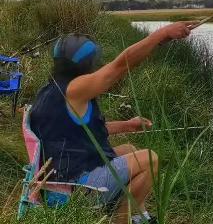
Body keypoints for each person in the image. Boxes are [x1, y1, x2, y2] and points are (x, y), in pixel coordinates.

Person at [30, 21, 197, 224]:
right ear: (86, 64)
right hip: (76, 189)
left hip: (61, 178)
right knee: (150, 159)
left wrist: (127, 125)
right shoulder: (74, 89)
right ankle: (122, 219)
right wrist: (161, 35)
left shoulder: (50, 89)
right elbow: (120, 65)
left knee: (129, 149)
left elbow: (79, 131)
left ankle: (138, 214)